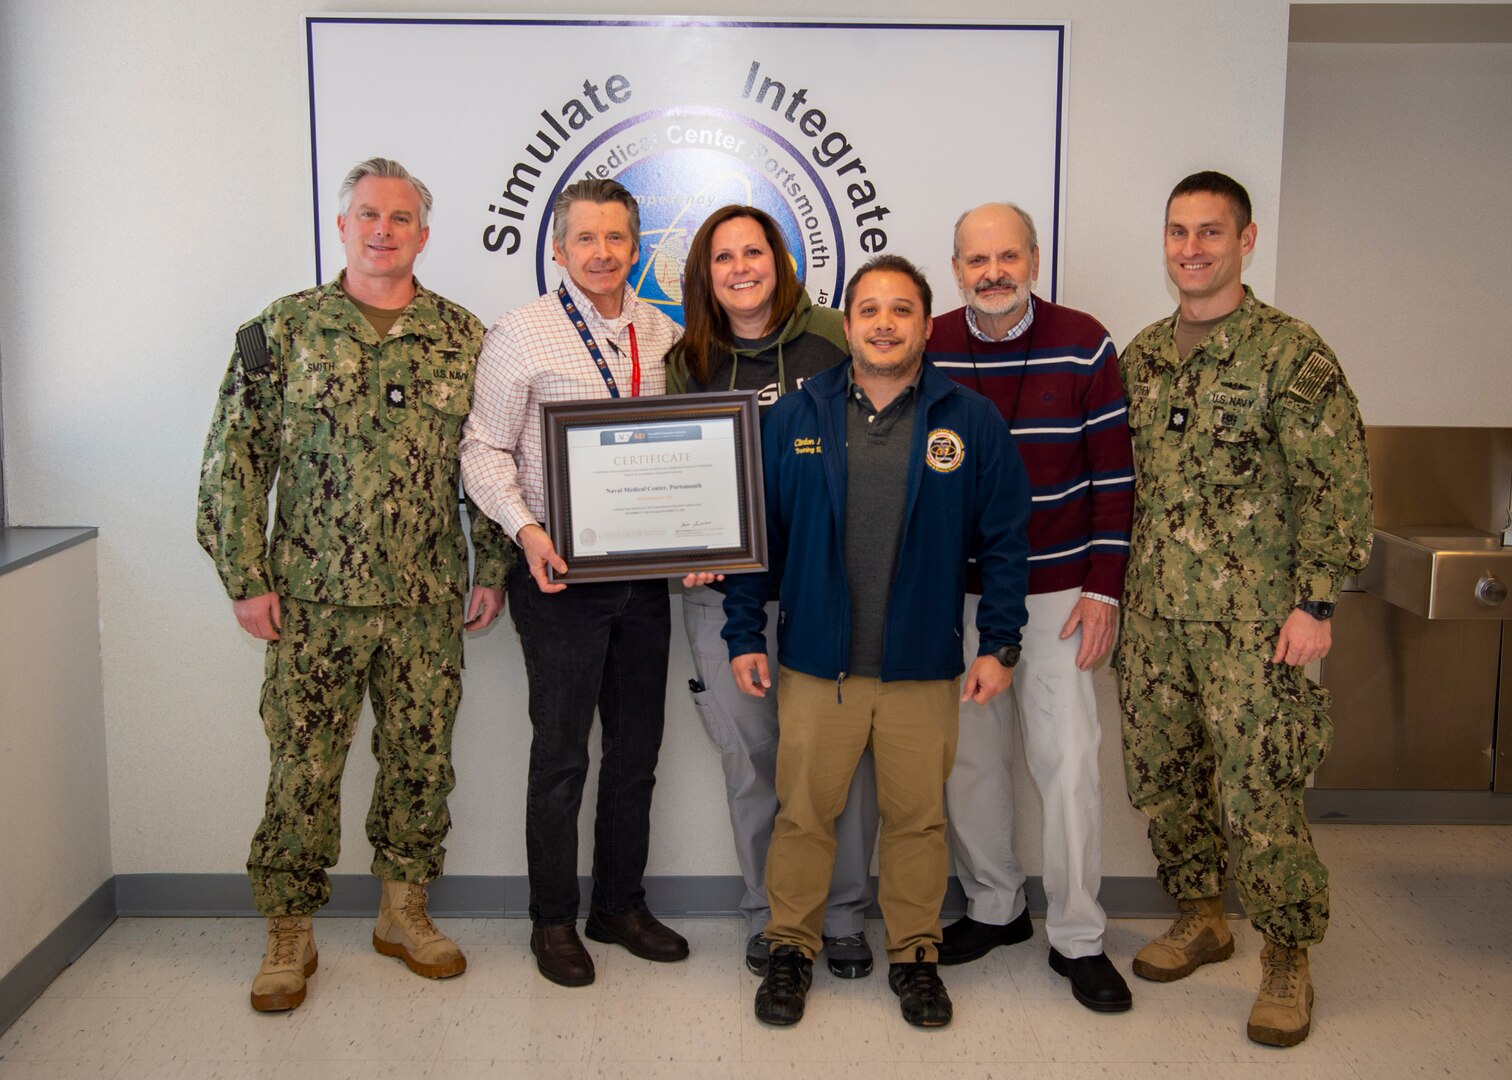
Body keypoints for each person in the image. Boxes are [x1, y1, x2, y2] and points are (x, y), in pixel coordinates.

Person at [197, 157, 510, 1012]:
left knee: (420, 763)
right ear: (342, 227)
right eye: (368, 214)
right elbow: (233, 462)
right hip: (310, 600)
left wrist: (494, 566)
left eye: (400, 217)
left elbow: (487, 461)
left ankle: (404, 911)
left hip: (424, 600)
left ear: (422, 234)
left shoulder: (462, 337)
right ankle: (288, 932)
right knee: (302, 767)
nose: (383, 229)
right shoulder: (283, 331)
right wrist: (244, 577)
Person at [724, 255, 1032, 1028]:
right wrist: (741, 632)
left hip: (920, 670)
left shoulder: (970, 420)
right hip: (814, 666)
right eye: (869, 310)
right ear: (848, 324)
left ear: (927, 327)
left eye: (902, 310)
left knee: (918, 820)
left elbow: (1004, 541)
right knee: (802, 815)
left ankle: (915, 957)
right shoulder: (796, 416)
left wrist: (1000, 643)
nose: (885, 323)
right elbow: (754, 540)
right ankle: (790, 949)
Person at [1117, 171, 1371, 1046]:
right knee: (1165, 780)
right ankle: (1202, 916)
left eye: (1211, 233)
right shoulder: (1142, 357)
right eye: (1179, 232)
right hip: (1153, 621)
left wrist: (1315, 603)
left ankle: (1288, 960)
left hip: (1257, 629)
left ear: (1246, 240)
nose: (1192, 249)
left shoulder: (1290, 355)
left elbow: (1336, 489)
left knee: (1260, 794)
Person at [459, 178, 687, 988]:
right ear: (558, 250)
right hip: (557, 579)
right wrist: (527, 531)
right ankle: (552, 920)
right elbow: (482, 448)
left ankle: (618, 905)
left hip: (645, 582)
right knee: (560, 758)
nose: (601, 253)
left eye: (616, 238)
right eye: (584, 239)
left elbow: (684, 452)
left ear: (635, 246)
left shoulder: (664, 335)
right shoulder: (520, 335)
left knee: (637, 752)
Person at [927, 203, 1135, 1012]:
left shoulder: (1084, 340)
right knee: (969, 762)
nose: (993, 273)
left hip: (1056, 595)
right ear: (956, 269)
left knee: (1069, 764)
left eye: (1008, 256)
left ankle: (1079, 936)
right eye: (977, 260)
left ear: (1035, 259)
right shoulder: (931, 343)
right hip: (958, 598)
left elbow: (1115, 477)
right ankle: (993, 905)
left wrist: (1103, 587)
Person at [666, 205, 880, 980]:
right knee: (753, 757)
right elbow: (675, 471)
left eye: (752, 252)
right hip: (725, 597)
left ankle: (847, 914)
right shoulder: (684, 358)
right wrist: (685, 541)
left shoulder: (834, 335)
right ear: (704, 274)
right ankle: (770, 914)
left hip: (829, 586)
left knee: (839, 761)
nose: (740, 269)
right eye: (722, 258)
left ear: (779, 259)